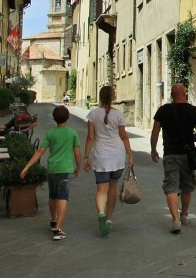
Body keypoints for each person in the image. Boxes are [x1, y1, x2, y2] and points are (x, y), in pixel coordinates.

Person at [150, 83, 196, 234]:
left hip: (170, 154)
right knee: (187, 186)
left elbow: (155, 133)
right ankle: (184, 215)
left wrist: (153, 149)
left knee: (171, 187)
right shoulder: (193, 110)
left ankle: (175, 220)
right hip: (188, 154)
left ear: (172, 96)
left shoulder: (163, 110)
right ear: (184, 94)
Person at [20, 105, 80, 241]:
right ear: (68, 117)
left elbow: (40, 151)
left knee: (52, 196)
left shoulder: (50, 134)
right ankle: (58, 229)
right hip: (65, 168)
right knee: (63, 197)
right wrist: (79, 167)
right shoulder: (72, 133)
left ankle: (53, 221)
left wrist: (27, 166)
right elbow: (77, 154)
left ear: (54, 118)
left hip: (52, 168)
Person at [83, 85, 133, 236]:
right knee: (113, 187)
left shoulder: (92, 114)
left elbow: (91, 137)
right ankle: (110, 219)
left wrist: (86, 157)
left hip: (101, 157)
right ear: (112, 97)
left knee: (101, 189)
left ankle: (101, 215)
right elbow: (124, 136)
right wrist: (130, 154)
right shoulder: (118, 115)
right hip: (117, 156)